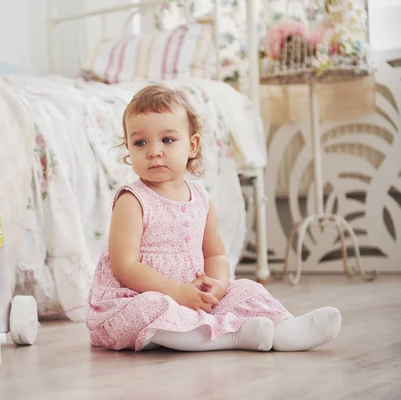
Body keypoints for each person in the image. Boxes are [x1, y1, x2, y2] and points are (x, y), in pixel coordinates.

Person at [85, 84, 341, 352]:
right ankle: (233, 336)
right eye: (140, 143)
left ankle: (285, 328)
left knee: (245, 289)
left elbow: (215, 255)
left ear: (192, 145)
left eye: (167, 140)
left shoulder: (202, 202)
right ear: (128, 148)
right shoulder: (133, 200)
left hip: (192, 296)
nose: (154, 151)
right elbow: (125, 266)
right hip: (135, 300)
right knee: (154, 306)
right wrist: (175, 292)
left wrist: (216, 287)